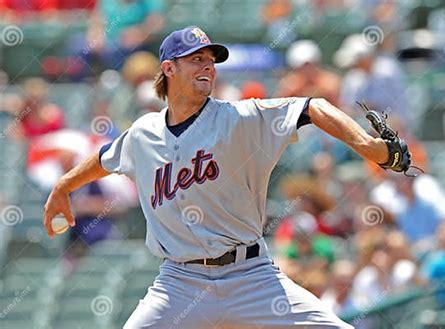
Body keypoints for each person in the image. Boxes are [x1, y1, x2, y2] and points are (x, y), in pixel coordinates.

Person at [43, 26, 411, 328]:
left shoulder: (239, 118)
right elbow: (105, 158)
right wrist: (64, 186)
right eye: (196, 59)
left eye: (211, 60)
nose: (208, 66)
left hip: (251, 277)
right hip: (180, 284)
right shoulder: (143, 133)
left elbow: (311, 107)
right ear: (169, 69)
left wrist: (366, 144)